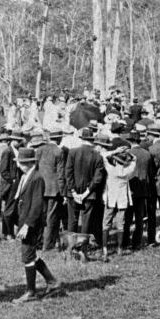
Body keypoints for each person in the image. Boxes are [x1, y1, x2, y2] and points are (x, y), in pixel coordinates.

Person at [11, 147, 62, 302]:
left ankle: (31, 291)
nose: (18, 165)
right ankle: (52, 282)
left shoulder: (37, 178)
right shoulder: (27, 175)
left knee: (27, 256)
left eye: (20, 163)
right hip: (25, 220)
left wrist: (27, 225)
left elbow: (37, 205)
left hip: (31, 223)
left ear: (27, 163)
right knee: (30, 254)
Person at [64, 128, 106, 246]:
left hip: (73, 193)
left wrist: (73, 191)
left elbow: (68, 173)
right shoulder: (97, 156)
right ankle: (83, 247)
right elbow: (97, 178)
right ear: (92, 140)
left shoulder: (72, 152)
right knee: (86, 220)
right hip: (90, 194)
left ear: (82, 139)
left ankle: (70, 247)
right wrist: (87, 192)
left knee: (72, 220)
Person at [101, 143, 135, 260]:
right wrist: (128, 154)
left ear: (115, 161)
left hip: (110, 199)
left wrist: (115, 151)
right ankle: (120, 248)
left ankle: (105, 248)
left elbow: (103, 156)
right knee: (120, 224)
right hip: (122, 200)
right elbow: (134, 160)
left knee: (106, 223)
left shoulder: (111, 170)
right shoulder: (128, 171)